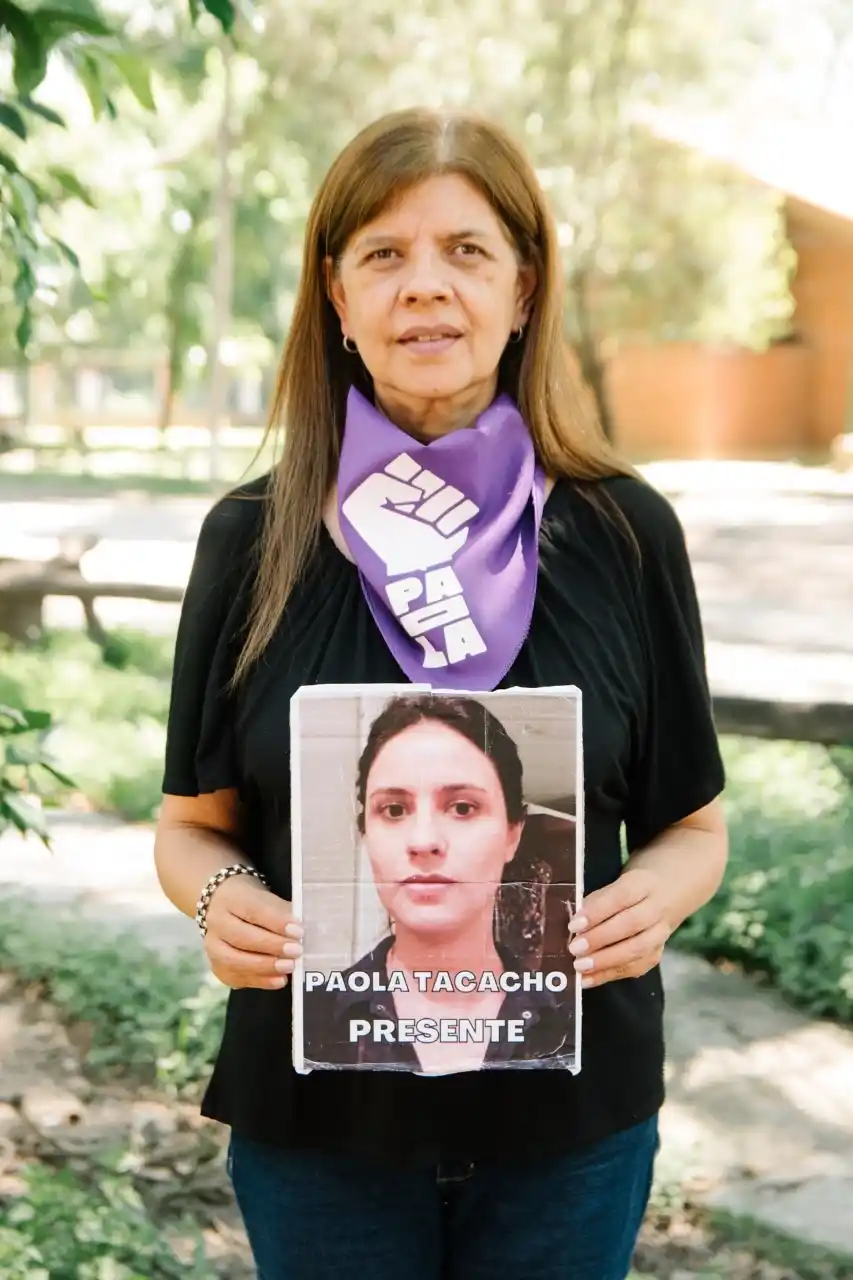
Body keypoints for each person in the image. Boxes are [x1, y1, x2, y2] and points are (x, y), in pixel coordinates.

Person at [154, 106, 728, 1280]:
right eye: (384, 254)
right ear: (337, 297)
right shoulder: (251, 539)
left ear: (523, 291)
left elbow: (695, 825)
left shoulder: (623, 531)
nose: (425, 288)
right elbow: (189, 827)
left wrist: (655, 898)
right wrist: (219, 901)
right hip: (320, 1131)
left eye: (466, 251)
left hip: (571, 1130)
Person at [301, 693, 576, 1074]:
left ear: (513, 833)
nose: (423, 841)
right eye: (394, 810)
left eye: (463, 808)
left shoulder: (566, 1026)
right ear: (365, 833)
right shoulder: (306, 1018)